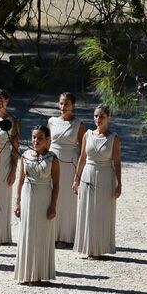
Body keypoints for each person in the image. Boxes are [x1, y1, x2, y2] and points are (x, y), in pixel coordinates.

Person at [74, 103, 122, 259]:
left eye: (102, 116)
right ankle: (87, 246)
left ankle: (99, 248)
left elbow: (117, 162)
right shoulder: (87, 135)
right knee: (87, 210)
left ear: (108, 117)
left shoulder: (113, 138)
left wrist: (119, 184)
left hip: (105, 175)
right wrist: (76, 179)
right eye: (96, 116)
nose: (98, 119)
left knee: (101, 211)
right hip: (88, 174)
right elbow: (82, 158)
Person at [15, 125, 60, 284]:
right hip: (28, 197)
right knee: (27, 232)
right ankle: (26, 272)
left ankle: (39, 273)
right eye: (34, 137)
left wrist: (53, 206)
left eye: (40, 138)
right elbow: (20, 180)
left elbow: (57, 185)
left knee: (41, 234)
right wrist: (17, 202)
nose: (36, 140)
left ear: (48, 140)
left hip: (44, 198)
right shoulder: (25, 155)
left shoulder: (53, 158)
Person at [48, 92, 86, 247]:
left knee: (66, 198)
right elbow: (47, 141)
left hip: (69, 163)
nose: (63, 107)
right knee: (51, 195)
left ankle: (65, 236)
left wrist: (79, 174)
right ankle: (51, 233)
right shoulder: (51, 121)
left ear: (73, 106)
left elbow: (83, 151)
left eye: (67, 104)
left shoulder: (78, 124)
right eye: (61, 103)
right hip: (52, 160)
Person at [0, 89, 21, 246]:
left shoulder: (12, 121)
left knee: (1, 195)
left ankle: (1, 235)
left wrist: (14, 169)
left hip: (4, 160)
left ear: (7, 101)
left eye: (0, 100)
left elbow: (15, 149)